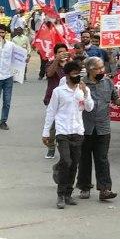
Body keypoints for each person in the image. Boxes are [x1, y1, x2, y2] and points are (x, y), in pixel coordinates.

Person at [42, 60, 95, 209]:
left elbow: (89, 108)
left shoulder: (83, 90)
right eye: (74, 73)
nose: (77, 76)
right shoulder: (59, 91)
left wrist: (85, 93)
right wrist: (46, 132)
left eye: (79, 73)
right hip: (62, 131)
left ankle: (68, 194)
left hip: (78, 131)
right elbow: (51, 111)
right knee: (66, 161)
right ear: (67, 75)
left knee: (74, 164)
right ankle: (60, 193)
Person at [76, 56, 120, 200]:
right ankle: (84, 187)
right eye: (98, 68)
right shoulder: (81, 83)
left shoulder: (108, 82)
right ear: (90, 69)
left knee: (102, 158)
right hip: (85, 127)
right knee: (84, 158)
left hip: (103, 127)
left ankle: (105, 189)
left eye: (102, 67)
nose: (102, 70)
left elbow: (116, 98)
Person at [0, 23, 16, 130]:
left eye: (2, 32)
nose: (0, 34)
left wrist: (26, 57)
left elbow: (19, 56)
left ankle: (3, 121)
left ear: (5, 33)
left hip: (8, 77)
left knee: (7, 101)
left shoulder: (11, 45)